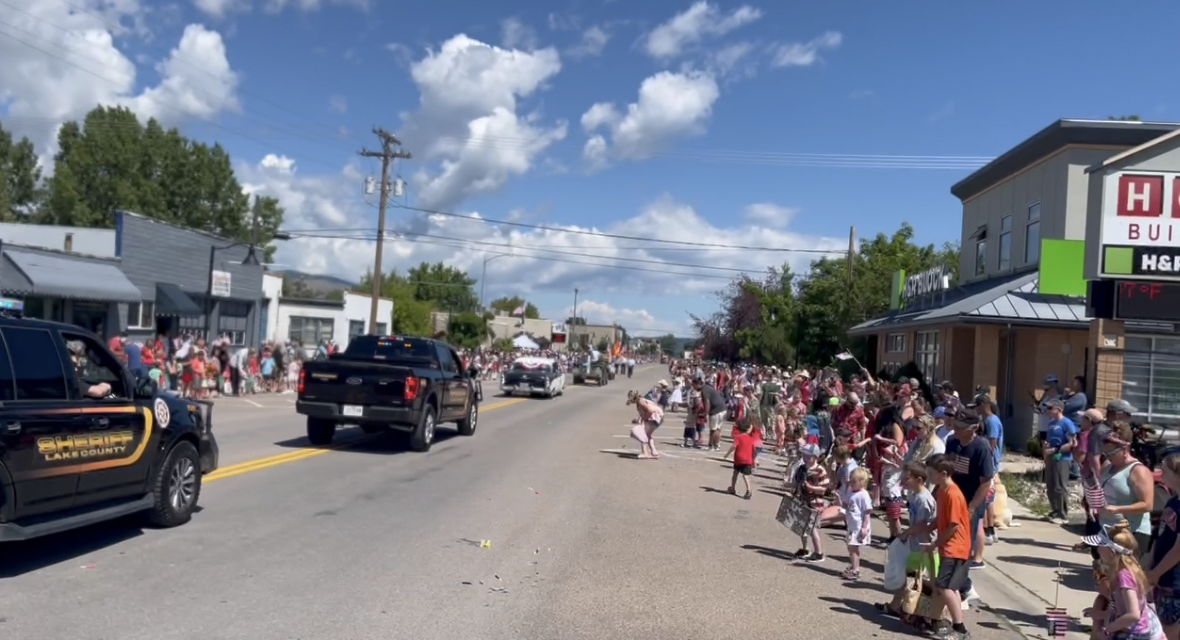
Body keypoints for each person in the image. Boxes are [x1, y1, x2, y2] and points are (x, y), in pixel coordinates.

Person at [1082, 523, 1164, 640]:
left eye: (1100, 546)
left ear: (1112, 552)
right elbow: (1122, 609)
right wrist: (1102, 614)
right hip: (1134, 629)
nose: (1097, 549)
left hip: (1135, 634)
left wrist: (1109, 629)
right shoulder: (1125, 570)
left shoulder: (1123, 576)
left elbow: (1133, 614)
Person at [925, 454, 973, 640]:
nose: (929, 477)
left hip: (956, 547)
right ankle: (953, 623)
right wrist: (930, 527)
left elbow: (953, 526)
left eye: (931, 473)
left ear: (943, 474)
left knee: (944, 588)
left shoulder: (952, 494)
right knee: (950, 588)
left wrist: (935, 544)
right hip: (951, 547)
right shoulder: (942, 490)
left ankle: (960, 629)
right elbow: (943, 519)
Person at [1148, 453, 1180, 640]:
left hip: (1175, 581)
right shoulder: (1172, 502)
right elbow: (1160, 537)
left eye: (1164, 470)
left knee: (1170, 633)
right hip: (1162, 578)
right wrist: (1150, 566)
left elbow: (1178, 549)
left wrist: (1157, 572)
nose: (1160, 474)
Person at [1042, 398, 1079, 524]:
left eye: (1050, 408)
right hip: (1051, 457)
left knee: (1060, 486)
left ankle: (1063, 514)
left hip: (1062, 457)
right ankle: (1055, 510)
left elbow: (1072, 443)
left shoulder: (1066, 423)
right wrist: (1046, 449)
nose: (1047, 411)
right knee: (1050, 485)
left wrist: (1055, 450)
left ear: (1058, 409)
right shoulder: (1051, 423)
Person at [842, 467, 873, 581]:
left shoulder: (863, 495)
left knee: (853, 547)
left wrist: (864, 527)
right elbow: (846, 505)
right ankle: (854, 565)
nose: (851, 483)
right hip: (851, 525)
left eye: (854, 481)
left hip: (859, 527)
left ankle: (856, 570)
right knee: (850, 547)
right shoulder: (850, 491)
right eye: (850, 480)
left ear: (862, 482)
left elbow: (867, 512)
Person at [626, 390, 664, 460]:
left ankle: (645, 452)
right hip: (658, 417)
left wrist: (646, 418)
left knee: (641, 432)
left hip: (655, 417)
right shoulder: (640, 401)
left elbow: (650, 410)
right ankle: (654, 451)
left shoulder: (640, 401)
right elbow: (644, 413)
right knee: (647, 434)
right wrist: (638, 419)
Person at [728, 420, 755, 500]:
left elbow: (734, 446)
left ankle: (732, 488)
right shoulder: (750, 439)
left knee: (735, 473)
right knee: (745, 476)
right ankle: (749, 490)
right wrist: (755, 460)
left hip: (738, 459)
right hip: (747, 460)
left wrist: (727, 454)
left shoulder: (738, 437)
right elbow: (753, 450)